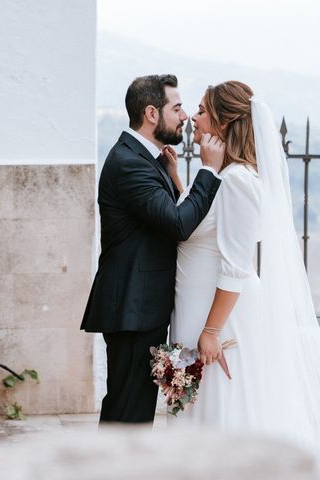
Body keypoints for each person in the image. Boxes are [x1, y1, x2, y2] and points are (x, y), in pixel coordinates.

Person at [166, 80, 320, 480]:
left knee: (226, 413)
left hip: (222, 318)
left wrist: (211, 332)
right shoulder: (219, 176)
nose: (193, 118)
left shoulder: (239, 182)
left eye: (201, 110)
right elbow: (196, 225)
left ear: (225, 123)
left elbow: (235, 266)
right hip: (196, 311)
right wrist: (181, 180)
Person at [81, 74, 224, 423]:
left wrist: (174, 177)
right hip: (133, 307)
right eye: (176, 108)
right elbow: (177, 224)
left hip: (140, 305)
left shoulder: (145, 158)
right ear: (151, 113)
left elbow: (161, 216)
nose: (185, 116)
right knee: (128, 411)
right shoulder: (129, 162)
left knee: (133, 407)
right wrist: (208, 171)